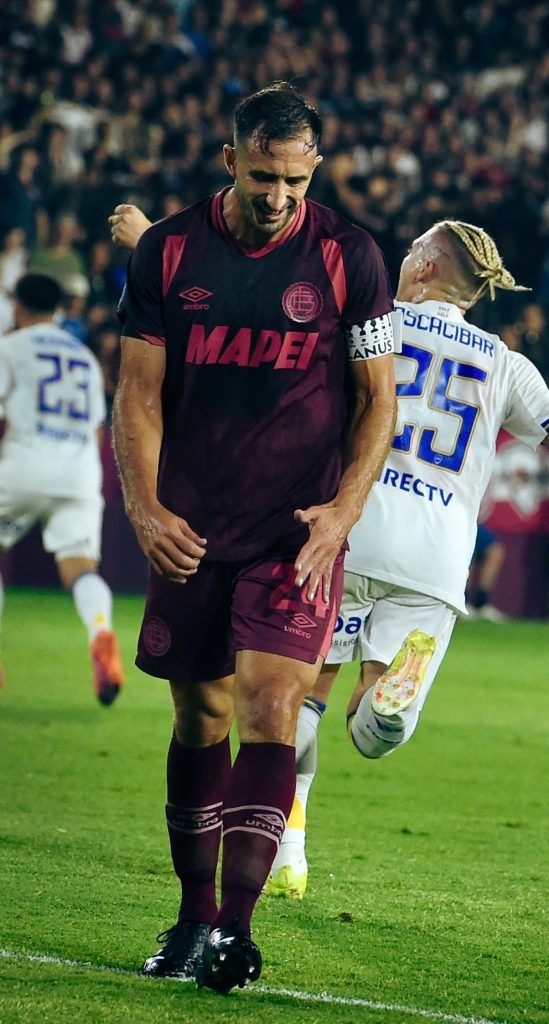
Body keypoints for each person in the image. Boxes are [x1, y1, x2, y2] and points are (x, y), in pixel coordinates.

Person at [112, 214, 549, 903]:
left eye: (411, 252)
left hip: (344, 529)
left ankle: (289, 844)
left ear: (425, 267)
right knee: (370, 733)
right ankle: (382, 712)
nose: (402, 259)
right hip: (436, 556)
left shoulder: (373, 322)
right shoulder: (505, 363)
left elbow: (255, 304)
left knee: (293, 701)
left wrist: (153, 241)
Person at [112, 83, 396, 992]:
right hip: (191, 526)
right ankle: (192, 916)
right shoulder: (168, 251)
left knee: (270, 707)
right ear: (231, 160)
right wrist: (145, 509)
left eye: (294, 180)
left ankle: (234, 931)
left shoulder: (351, 256)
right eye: (262, 176)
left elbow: (377, 400)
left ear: (315, 168)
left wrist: (343, 511)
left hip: (294, 530)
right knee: (198, 717)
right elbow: (138, 395)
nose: (277, 197)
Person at [0, 272, 124, 702]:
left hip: (24, 462)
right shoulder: (84, 357)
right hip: (79, 472)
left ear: (18, 307)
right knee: (81, 569)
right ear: (56, 309)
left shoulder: (10, 348)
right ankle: (101, 630)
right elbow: (97, 429)